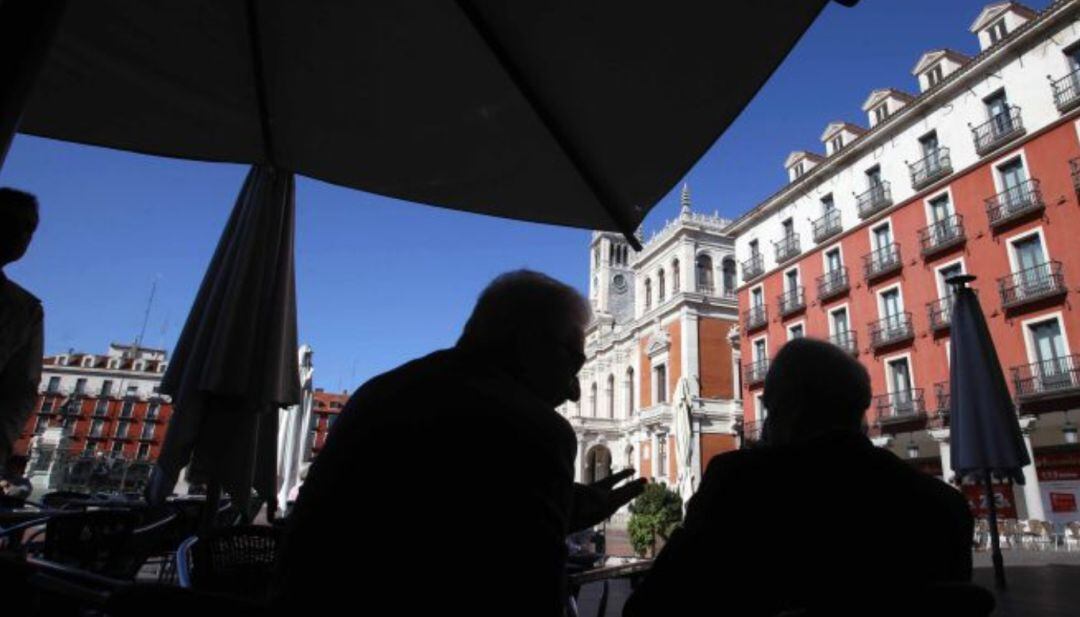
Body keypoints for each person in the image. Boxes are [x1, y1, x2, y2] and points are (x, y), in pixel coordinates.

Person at [277, 270, 645, 616]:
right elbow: (527, 589)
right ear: (531, 343)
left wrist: (562, 505)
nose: (575, 390)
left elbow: (446, 511)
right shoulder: (535, 428)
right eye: (573, 362)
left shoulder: (380, 392)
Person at [624, 338, 974, 617]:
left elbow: (652, 606)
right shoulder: (946, 505)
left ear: (788, 410)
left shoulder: (742, 484)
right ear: (859, 407)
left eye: (770, 410)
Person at [0, 188, 43, 475]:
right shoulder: (24, 309)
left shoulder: (26, 310)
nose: (23, 233)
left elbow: (21, 390)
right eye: (12, 221)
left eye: (29, 227)